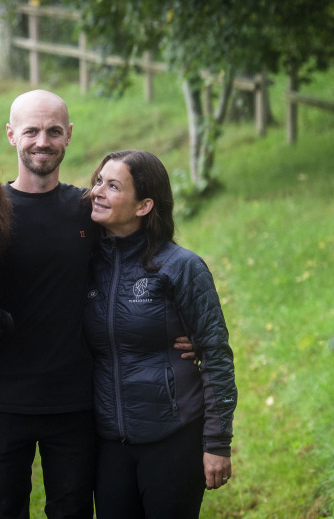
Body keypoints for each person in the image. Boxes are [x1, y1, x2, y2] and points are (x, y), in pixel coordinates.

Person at [83, 149, 237, 519]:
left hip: (173, 436)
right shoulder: (84, 263)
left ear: (144, 205)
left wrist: (217, 443)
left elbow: (216, 354)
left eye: (113, 185)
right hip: (109, 441)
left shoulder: (182, 267)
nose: (97, 192)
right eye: (98, 182)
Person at [0, 89, 99, 519]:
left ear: (68, 137)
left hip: (76, 402)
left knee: (73, 512)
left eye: (53, 131)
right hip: (1, 399)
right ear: (11, 135)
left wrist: (179, 329)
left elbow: (141, 268)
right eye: (31, 131)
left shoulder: (87, 211)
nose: (42, 141)